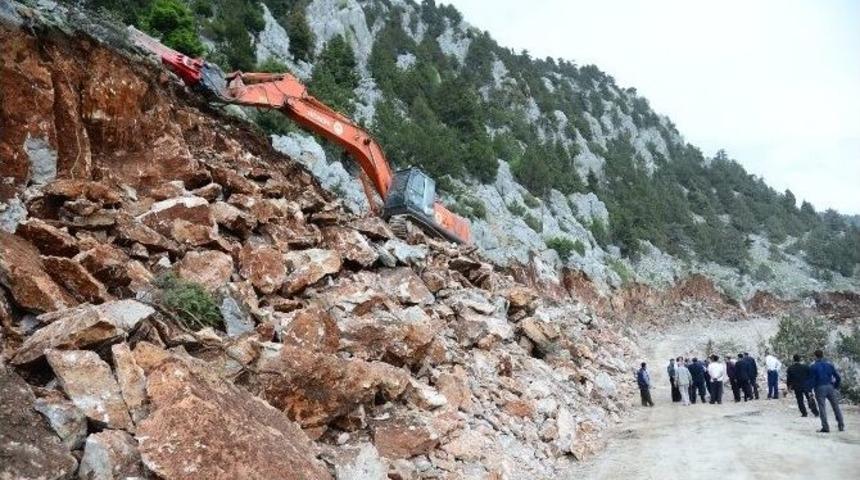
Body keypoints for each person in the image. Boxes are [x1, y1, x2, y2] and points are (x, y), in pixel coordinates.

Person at [809, 349, 845, 433]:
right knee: (835, 406)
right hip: (830, 386)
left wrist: (810, 390)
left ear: (815, 356)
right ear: (822, 355)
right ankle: (841, 424)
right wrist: (835, 386)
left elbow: (812, 380)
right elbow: (838, 377)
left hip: (819, 387)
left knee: (822, 407)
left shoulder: (813, 366)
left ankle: (825, 427)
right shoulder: (829, 365)